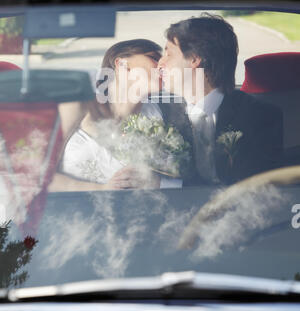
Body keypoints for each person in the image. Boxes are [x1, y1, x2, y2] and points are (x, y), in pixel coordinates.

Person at [157, 12, 284, 185]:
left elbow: (258, 191)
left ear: (194, 59)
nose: (160, 64)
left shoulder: (260, 116)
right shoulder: (161, 115)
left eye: (168, 54)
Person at [54, 39, 182, 191]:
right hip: (74, 212)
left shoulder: (170, 114)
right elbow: (38, 178)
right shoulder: (77, 107)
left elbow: (188, 181)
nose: (161, 65)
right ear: (121, 64)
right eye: (154, 58)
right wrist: (102, 189)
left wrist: (158, 183)